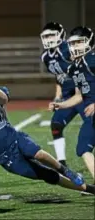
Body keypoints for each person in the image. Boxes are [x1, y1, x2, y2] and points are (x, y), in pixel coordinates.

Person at [0, 74, 95, 195]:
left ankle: (65, 170)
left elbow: (4, 98)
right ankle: (89, 189)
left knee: (39, 154)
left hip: (15, 137)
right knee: (47, 176)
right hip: (5, 157)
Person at [51, 26, 95, 183]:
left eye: (79, 43)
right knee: (83, 148)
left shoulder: (92, 59)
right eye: (73, 43)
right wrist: (60, 105)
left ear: (89, 42)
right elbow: (78, 96)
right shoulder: (74, 67)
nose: (75, 47)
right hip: (92, 116)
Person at [40, 22, 87, 166]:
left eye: (51, 35)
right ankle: (62, 164)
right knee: (56, 125)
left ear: (60, 35)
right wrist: (57, 96)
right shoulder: (46, 57)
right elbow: (58, 77)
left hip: (84, 95)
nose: (48, 39)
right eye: (46, 36)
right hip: (68, 97)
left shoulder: (68, 49)